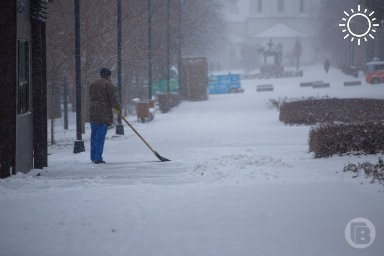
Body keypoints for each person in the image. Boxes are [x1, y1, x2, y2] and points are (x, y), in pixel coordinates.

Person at [88, 68, 121, 164]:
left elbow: (91, 97)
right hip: (103, 114)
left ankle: (93, 156)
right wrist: (118, 110)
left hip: (93, 112)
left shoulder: (93, 84)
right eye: (110, 75)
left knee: (94, 135)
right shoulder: (108, 85)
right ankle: (97, 158)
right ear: (108, 75)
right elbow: (113, 100)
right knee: (100, 136)